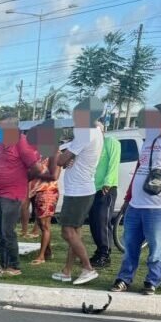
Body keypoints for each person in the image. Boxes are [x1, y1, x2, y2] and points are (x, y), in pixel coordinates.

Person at [111, 105, 161, 296]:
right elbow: (139, 169)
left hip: (158, 207)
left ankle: (152, 281)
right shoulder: (148, 141)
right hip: (136, 204)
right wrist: (128, 197)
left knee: (156, 249)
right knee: (130, 246)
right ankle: (124, 278)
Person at [53, 98, 104, 285]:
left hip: (78, 190)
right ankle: (67, 270)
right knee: (75, 232)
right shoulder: (96, 131)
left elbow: (60, 161)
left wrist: (58, 151)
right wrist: (68, 157)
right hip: (83, 188)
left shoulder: (85, 133)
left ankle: (88, 268)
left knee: (67, 232)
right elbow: (70, 158)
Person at [0, 115, 46, 278]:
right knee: (0, 230)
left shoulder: (22, 143)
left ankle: (14, 265)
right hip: (0, 191)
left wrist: (24, 179)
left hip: (13, 193)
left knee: (8, 231)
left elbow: (37, 168)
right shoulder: (1, 143)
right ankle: (2, 264)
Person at [88, 118, 121, 268]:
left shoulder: (111, 142)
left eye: (97, 129)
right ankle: (99, 250)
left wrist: (108, 182)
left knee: (102, 221)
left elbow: (113, 163)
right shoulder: (92, 145)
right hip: (91, 188)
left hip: (106, 188)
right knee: (94, 222)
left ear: (103, 131)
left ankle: (105, 254)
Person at [28, 155, 61, 265]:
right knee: (42, 224)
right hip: (38, 192)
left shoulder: (55, 154)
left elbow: (54, 176)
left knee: (45, 225)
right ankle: (48, 251)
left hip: (48, 191)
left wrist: (36, 173)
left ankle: (41, 256)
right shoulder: (40, 155)